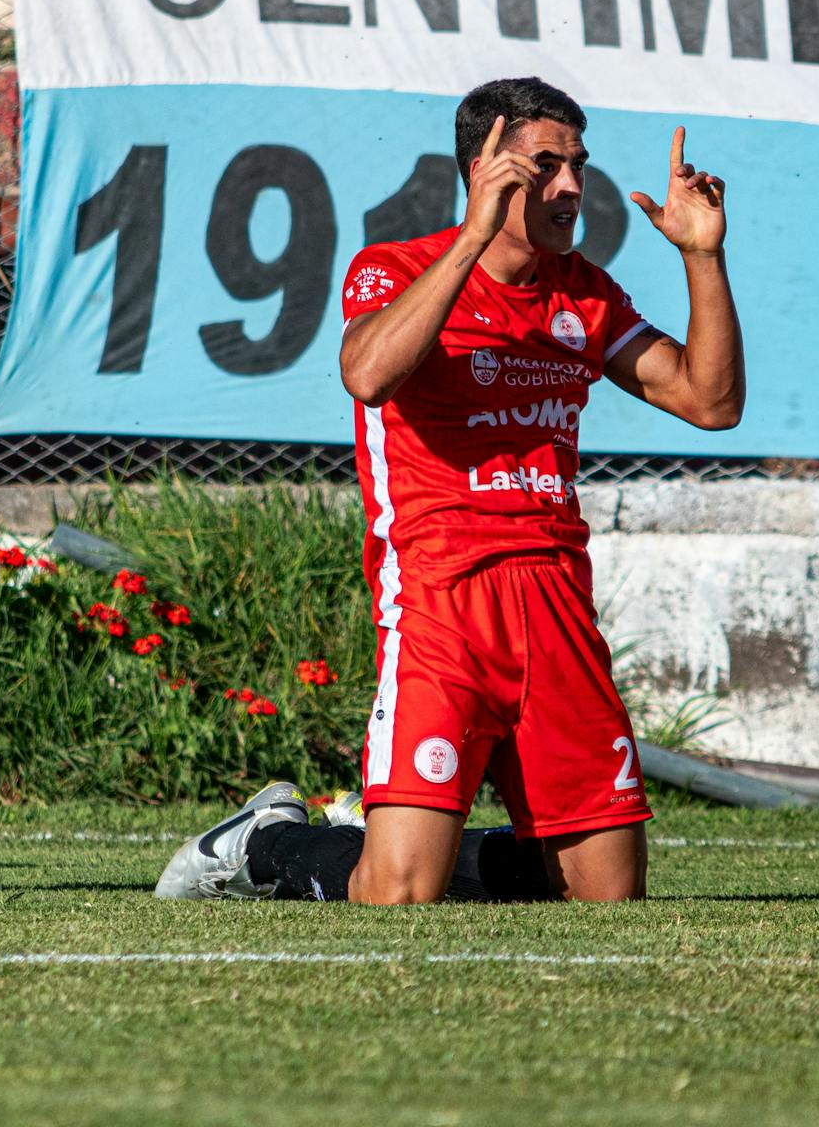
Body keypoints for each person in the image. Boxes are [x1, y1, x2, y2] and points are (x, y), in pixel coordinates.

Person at [156, 76, 743, 904]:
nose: (571, 186)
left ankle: (436, 834)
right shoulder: (393, 268)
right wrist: (470, 239)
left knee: (606, 897)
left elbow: (711, 402)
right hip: (439, 597)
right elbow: (366, 374)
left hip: (554, 602)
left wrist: (702, 256)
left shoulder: (585, 293)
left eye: (578, 165)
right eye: (547, 165)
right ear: (483, 169)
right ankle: (268, 844)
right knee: (398, 893)